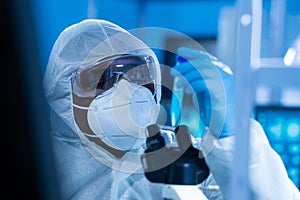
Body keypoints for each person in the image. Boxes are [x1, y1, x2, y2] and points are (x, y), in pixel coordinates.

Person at [43, 19, 300, 199]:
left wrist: (236, 140)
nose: (127, 90)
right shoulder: (37, 168)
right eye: (103, 79)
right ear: (64, 95)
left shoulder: (177, 157)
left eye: (137, 75)